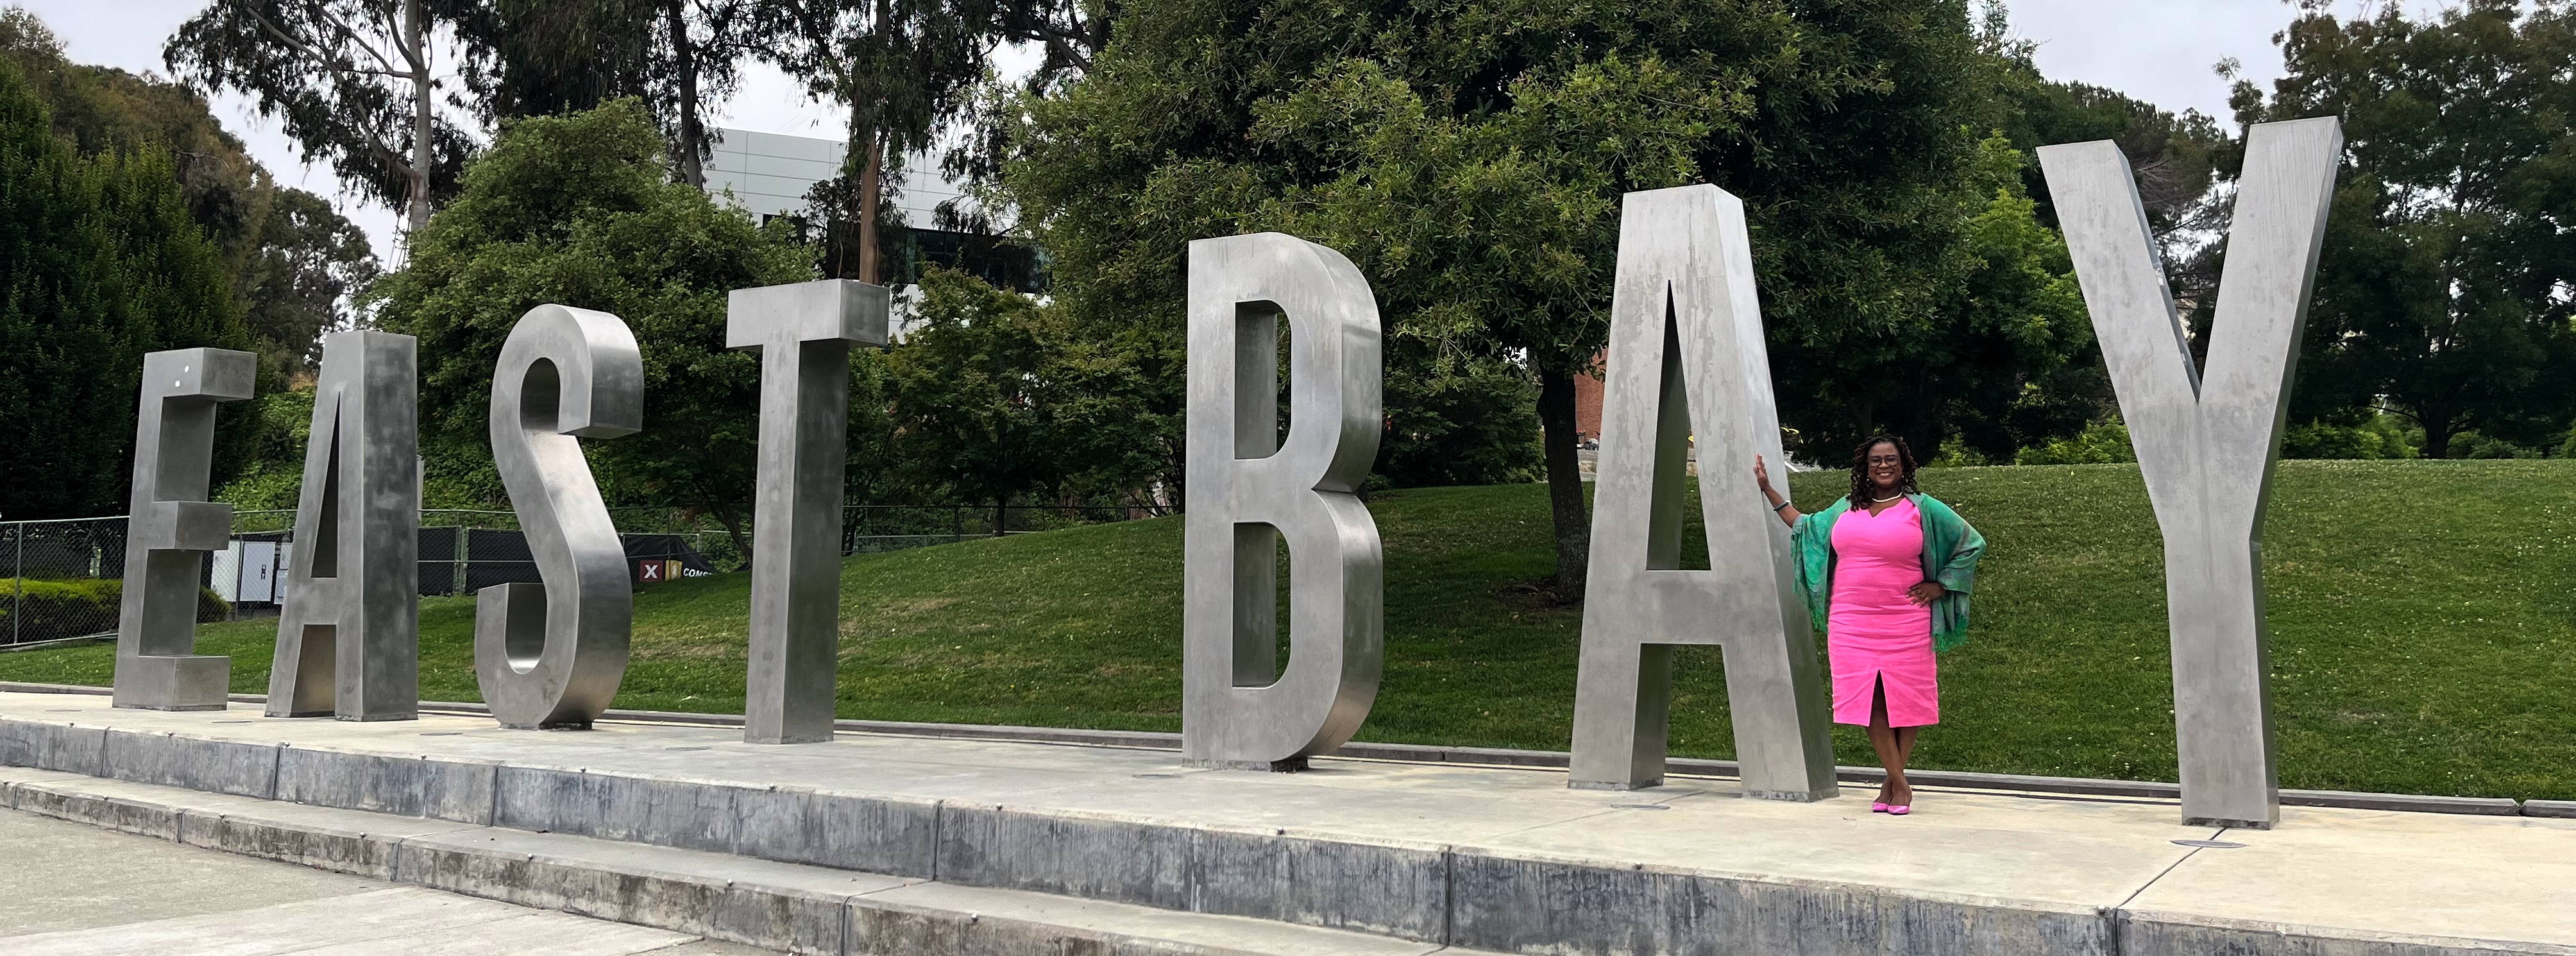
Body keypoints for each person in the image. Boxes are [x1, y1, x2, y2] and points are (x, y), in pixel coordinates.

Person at [1753, 436, 1984, 815]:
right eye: (1875, 460)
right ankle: (1899, 782)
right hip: (1851, 620)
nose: (1883, 466)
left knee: (1907, 701)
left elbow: (1971, 543)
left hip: (1906, 618)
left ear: (1903, 464)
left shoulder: (1923, 509)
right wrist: (1768, 489)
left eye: (1890, 459)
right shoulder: (1846, 510)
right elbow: (1805, 528)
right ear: (1865, 466)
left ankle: (1893, 784)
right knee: (1868, 699)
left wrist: (1941, 585)